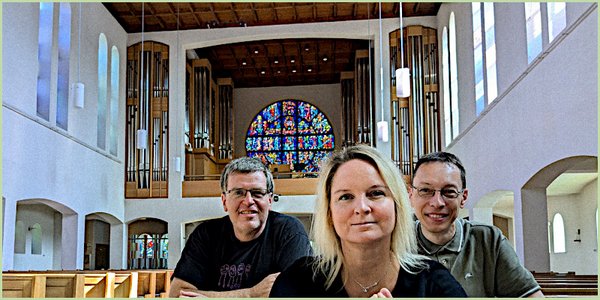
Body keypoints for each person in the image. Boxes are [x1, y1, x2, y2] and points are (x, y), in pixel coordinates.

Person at [270, 145, 467, 297]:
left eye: (376, 193)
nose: (362, 207)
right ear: (329, 212)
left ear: (397, 204)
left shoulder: (434, 283)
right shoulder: (296, 282)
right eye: (346, 197)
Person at [169, 157, 312, 297]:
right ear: (224, 201)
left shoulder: (289, 232)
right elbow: (177, 295)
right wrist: (251, 294)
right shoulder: (205, 234)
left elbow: (297, 295)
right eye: (238, 193)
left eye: (257, 193)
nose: (248, 201)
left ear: (269, 200)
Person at [409, 151, 544, 297]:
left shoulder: (489, 240)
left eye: (449, 192)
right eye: (425, 190)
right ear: (411, 195)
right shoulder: (394, 241)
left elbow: (531, 296)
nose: (437, 203)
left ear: (463, 197)